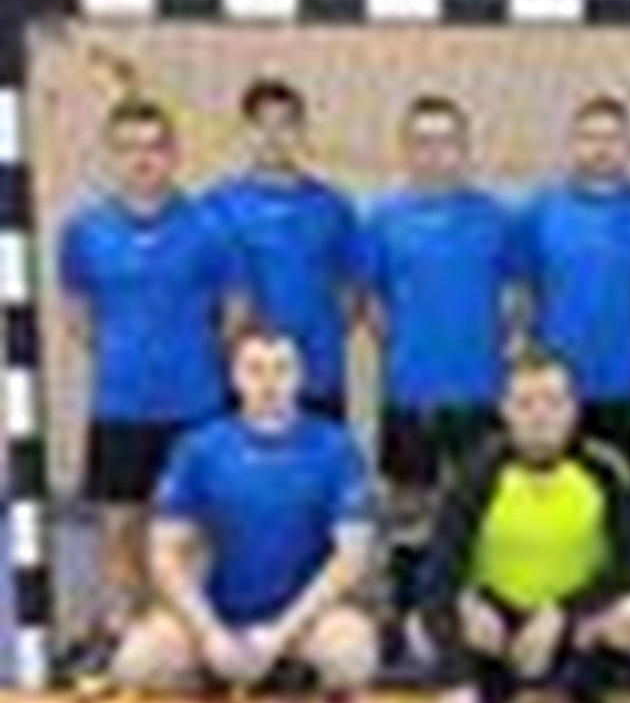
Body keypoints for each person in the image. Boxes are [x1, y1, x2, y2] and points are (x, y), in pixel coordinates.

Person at [112, 327, 378, 703]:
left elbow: (351, 558)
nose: (269, 383)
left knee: (352, 658)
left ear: (301, 377)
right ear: (234, 378)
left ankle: (282, 677)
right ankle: (220, 680)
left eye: (282, 369)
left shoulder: (337, 449)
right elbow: (163, 554)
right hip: (215, 615)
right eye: (255, 369)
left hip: (302, 620)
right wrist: (209, 634)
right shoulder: (198, 448)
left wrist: (279, 636)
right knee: (136, 664)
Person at [59, 97, 241, 637]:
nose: (142, 159)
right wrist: (125, 354)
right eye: (128, 148)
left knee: (194, 529)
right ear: (111, 155)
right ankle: (123, 631)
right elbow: (77, 311)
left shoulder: (210, 227)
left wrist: (195, 355)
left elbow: (236, 309)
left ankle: (192, 635)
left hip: (196, 405)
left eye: (154, 147)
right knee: (120, 527)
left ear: (173, 154)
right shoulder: (84, 230)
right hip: (119, 406)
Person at [421, 349, 630, 703]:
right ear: (505, 410)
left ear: (573, 409)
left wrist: (564, 612)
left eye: (553, 401)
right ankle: (489, 693)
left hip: (571, 621)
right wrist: (454, 680)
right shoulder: (474, 475)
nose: (540, 415)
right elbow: (437, 580)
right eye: (525, 403)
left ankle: (585, 695)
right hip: (499, 623)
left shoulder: (604, 471)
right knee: (428, 627)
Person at [362, 94, 520, 495]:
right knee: (410, 513)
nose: (434, 154)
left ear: (464, 149)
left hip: (482, 394)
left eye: (446, 141)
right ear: (405, 150)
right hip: (409, 397)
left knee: (480, 509)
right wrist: (406, 351)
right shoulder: (382, 219)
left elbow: (516, 297)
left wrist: (495, 345)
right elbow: (372, 302)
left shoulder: (497, 218)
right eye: (422, 142)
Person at [517, 95, 630, 479]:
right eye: (589, 137)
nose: (600, 148)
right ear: (573, 144)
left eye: (611, 138)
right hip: (556, 392)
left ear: (628, 147)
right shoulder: (541, 211)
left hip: (626, 386)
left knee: (621, 491)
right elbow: (522, 296)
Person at [204, 77, 362, 420]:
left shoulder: (333, 206)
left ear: (301, 132)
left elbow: (350, 298)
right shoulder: (215, 207)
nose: (273, 136)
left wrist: (316, 341)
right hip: (244, 384)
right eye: (262, 125)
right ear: (245, 132)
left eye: (285, 124)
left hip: (318, 380)